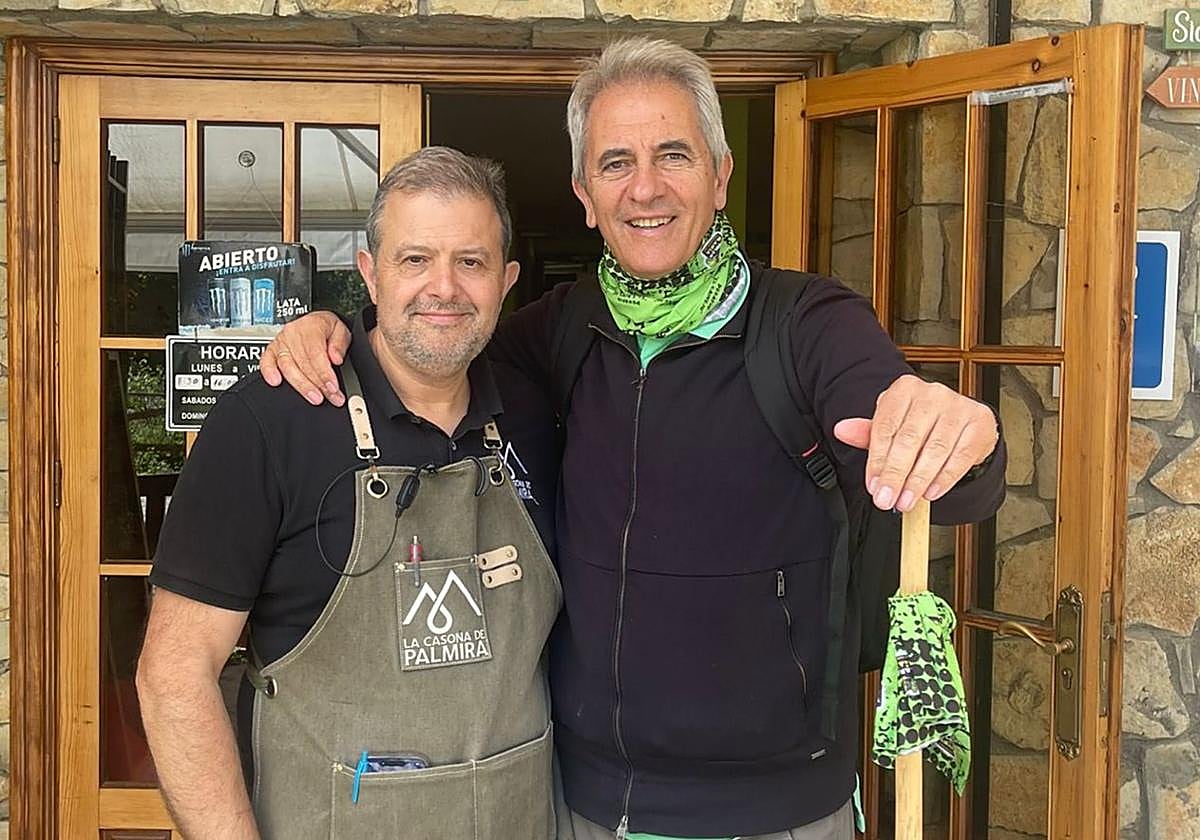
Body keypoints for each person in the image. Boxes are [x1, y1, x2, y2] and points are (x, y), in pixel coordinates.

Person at [260, 39, 1007, 840]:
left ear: (719, 176)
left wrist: (962, 436)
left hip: (776, 812)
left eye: (673, 155)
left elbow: (944, 466)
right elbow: (431, 354)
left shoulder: (809, 325)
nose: (644, 188)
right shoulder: (558, 330)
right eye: (616, 163)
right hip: (588, 807)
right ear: (585, 193)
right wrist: (338, 329)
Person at [136, 147, 565, 840]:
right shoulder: (268, 422)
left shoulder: (536, 415)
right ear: (370, 272)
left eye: (472, 262)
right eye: (415, 259)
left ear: (507, 280)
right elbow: (174, 676)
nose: (443, 288)